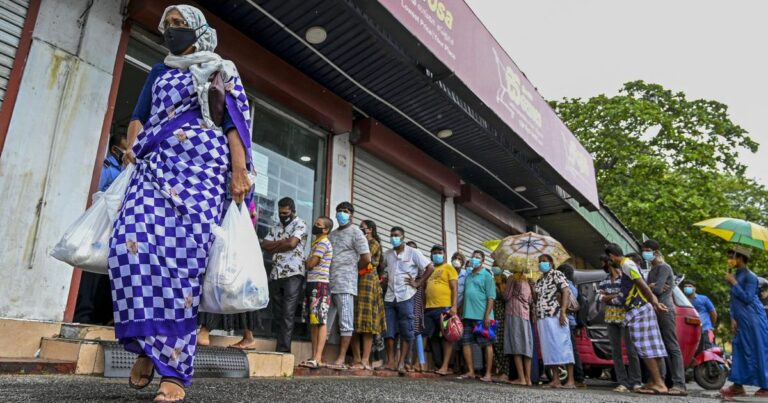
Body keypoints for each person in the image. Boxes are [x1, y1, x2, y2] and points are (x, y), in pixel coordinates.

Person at [112, 5, 253, 401]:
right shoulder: (159, 71)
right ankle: (144, 345)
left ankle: (172, 371)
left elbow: (234, 122)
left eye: (179, 25)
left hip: (201, 177)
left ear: (198, 30)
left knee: (182, 268)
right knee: (128, 249)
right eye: (167, 25)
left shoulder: (221, 67)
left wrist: (238, 170)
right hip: (154, 169)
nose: (171, 30)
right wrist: (133, 147)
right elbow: (140, 117)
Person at [74, 132, 129, 325]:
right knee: (92, 274)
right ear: (115, 150)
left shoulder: (126, 171)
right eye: (125, 146)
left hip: (116, 230)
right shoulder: (106, 169)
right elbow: (94, 195)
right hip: (100, 230)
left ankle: (103, 316)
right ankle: (83, 316)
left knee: (110, 274)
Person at [605, 243, 669, 395]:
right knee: (653, 346)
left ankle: (659, 383)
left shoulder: (626, 264)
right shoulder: (628, 265)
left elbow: (642, 285)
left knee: (645, 347)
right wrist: (654, 302)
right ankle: (654, 381)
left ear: (611, 256)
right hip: (643, 307)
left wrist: (654, 302)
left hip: (639, 309)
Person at [379, 227, 434, 374]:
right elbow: (382, 269)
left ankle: (402, 362)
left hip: (406, 296)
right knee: (388, 330)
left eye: (396, 235)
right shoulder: (388, 254)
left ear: (403, 237)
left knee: (407, 330)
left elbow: (430, 267)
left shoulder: (413, 252)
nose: (393, 238)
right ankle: (390, 361)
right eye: (391, 235)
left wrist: (418, 283)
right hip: (390, 296)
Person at [326, 202, 372, 370]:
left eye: (345, 211)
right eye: (339, 211)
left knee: (346, 322)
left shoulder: (356, 233)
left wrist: (351, 269)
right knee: (325, 320)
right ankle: (321, 355)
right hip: (328, 282)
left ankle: (341, 358)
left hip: (346, 284)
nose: (341, 214)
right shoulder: (332, 234)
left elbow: (366, 259)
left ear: (351, 215)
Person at [259, 197, 308, 353]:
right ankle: (279, 346)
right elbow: (264, 245)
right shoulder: (276, 226)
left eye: (286, 213)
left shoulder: (300, 224)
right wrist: (282, 243)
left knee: (288, 313)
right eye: (280, 213)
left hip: (293, 274)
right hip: (276, 274)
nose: (283, 216)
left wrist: (278, 245)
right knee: (278, 314)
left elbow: (291, 244)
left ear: (293, 211)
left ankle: (283, 351)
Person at [719, 246, 768, 399]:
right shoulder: (736, 274)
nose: (729, 260)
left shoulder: (750, 276)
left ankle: (766, 386)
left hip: (753, 318)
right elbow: (734, 300)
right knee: (739, 349)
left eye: (732, 256)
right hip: (740, 318)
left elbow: (747, 298)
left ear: (741, 258)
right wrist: (733, 317)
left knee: (757, 349)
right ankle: (738, 385)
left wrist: (734, 283)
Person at [641, 239, 687, 395]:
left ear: (655, 252)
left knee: (671, 346)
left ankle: (680, 384)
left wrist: (652, 287)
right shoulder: (652, 269)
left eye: (647, 250)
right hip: (654, 310)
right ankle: (658, 381)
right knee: (657, 347)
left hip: (665, 310)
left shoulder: (664, 267)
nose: (645, 253)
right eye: (644, 250)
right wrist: (651, 287)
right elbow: (649, 291)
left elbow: (658, 290)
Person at [597, 254, 642, 393]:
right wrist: (615, 297)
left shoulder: (625, 278)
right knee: (616, 352)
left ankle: (636, 382)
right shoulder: (604, 280)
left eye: (603, 262)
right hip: (611, 318)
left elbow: (625, 296)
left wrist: (609, 298)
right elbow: (600, 297)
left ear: (609, 263)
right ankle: (623, 382)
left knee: (631, 351)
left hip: (626, 318)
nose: (602, 265)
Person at [532, 255, 575, 389]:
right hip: (542, 317)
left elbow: (566, 291)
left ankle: (571, 381)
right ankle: (555, 380)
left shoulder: (557, 274)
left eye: (544, 261)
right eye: (540, 262)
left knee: (563, 345)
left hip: (556, 315)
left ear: (551, 263)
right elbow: (536, 299)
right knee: (549, 348)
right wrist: (532, 287)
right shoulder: (539, 280)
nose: (541, 264)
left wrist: (563, 311)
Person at [350, 220, 386, 370]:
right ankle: (357, 359)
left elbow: (365, 259)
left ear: (370, 230)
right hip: (355, 281)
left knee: (367, 324)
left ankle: (365, 360)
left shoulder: (373, 243)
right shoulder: (358, 242)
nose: (360, 230)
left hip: (368, 284)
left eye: (362, 228)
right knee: (352, 322)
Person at [298, 216, 334, 369]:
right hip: (313, 283)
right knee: (314, 321)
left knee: (320, 320)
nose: (315, 226)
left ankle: (318, 357)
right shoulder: (317, 243)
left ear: (326, 230)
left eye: (318, 225)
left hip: (320, 284)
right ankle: (314, 356)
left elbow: (311, 263)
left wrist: (305, 261)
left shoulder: (323, 243)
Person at [458, 250, 495, 382]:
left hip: (482, 316)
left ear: (483, 261)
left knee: (487, 344)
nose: (474, 259)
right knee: (466, 343)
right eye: (473, 257)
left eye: (478, 257)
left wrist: (487, 316)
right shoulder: (468, 276)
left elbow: (491, 298)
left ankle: (488, 374)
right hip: (467, 315)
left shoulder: (487, 276)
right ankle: (470, 371)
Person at [424, 245, 459, 376]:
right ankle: (431, 364)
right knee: (430, 336)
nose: (436, 255)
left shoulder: (449, 268)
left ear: (444, 255)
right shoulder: (430, 269)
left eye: (439, 252)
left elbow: (454, 288)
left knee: (446, 337)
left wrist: (454, 306)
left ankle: (445, 366)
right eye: (434, 253)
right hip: (429, 308)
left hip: (444, 307)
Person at [503, 271, 534, 386]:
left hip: (514, 312)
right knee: (526, 345)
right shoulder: (527, 280)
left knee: (516, 345)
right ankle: (528, 379)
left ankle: (521, 378)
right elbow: (530, 300)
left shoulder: (512, 278)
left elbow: (506, 296)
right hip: (525, 314)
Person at [557, 263, 585, 388]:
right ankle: (575, 377)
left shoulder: (566, 286)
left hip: (566, 319)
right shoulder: (573, 285)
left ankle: (577, 377)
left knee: (570, 349)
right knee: (570, 349)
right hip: (570, 320)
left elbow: (566, 304)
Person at [682, 280, 717, 350]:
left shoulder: (704, 299)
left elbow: (713, 313)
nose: (687, 288)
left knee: (708, 350)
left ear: (694, 288)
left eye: (689, 286)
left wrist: (711, 326)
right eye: (685, 286)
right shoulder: (682, 300)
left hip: (705, 330)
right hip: (689, 331)